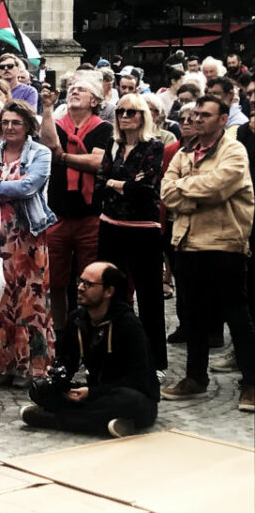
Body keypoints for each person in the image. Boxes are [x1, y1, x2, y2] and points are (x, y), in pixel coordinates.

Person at [160, 94, 255, 412]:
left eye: (204, 115)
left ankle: (252, 383)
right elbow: (166, 191)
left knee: (237, 315)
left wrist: (185, 189)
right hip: (187, 242)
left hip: (225, 242)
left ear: (223, 118)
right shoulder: (184, 152)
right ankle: (195, 378)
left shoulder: (234, 151)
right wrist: (193, 192)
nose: (196, 119)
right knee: (194, 315)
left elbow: (219, 187)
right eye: (194, 114)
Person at [21, 262, 160, 437]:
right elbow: (68, 362)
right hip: (96, 393)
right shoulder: (76, 319)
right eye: (80, 281)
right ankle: (107, 423)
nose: (80, 287)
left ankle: (56, 419)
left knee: (130, 401)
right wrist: (57, 376)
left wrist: (93, 392)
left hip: (126, 394)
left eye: (89, 284)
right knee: (40, 389)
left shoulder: (128, 324)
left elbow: (138, 379)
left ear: (109, 291)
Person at [0, 101, 57, 384]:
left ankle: (32, 365)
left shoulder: (41, 153)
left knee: (30, 301)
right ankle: (5, 365)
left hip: (28, 237)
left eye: (16, 122)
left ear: (27, 125)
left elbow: (29, 186)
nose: (10, 127)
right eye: (5, 122)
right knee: (2, 301)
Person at [96, 93, 168, 372]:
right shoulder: (112, 145)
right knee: (109, 294)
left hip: (143, 229)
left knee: (150, 298)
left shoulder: (154, 146)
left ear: (143, 116)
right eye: (121, 112)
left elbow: (146, 187)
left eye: (132, 112)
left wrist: (117, 183)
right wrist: (124, 183)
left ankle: (154, 362)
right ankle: (111, 356)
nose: (125, 116)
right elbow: (100, 183)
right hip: (110, 225)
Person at [40, 71, 110, 349]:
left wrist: (64, 158)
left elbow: (97, 163)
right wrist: (46, 107)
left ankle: (89, 334)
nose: (73, 92)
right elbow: (48, 147)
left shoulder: (103, 128)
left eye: (80, 89)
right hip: (58, 214)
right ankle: (62, 336)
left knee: (89, 280)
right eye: (71, 88)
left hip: (90, 215)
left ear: (95, 99)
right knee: (55, 280)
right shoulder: (56, 123)